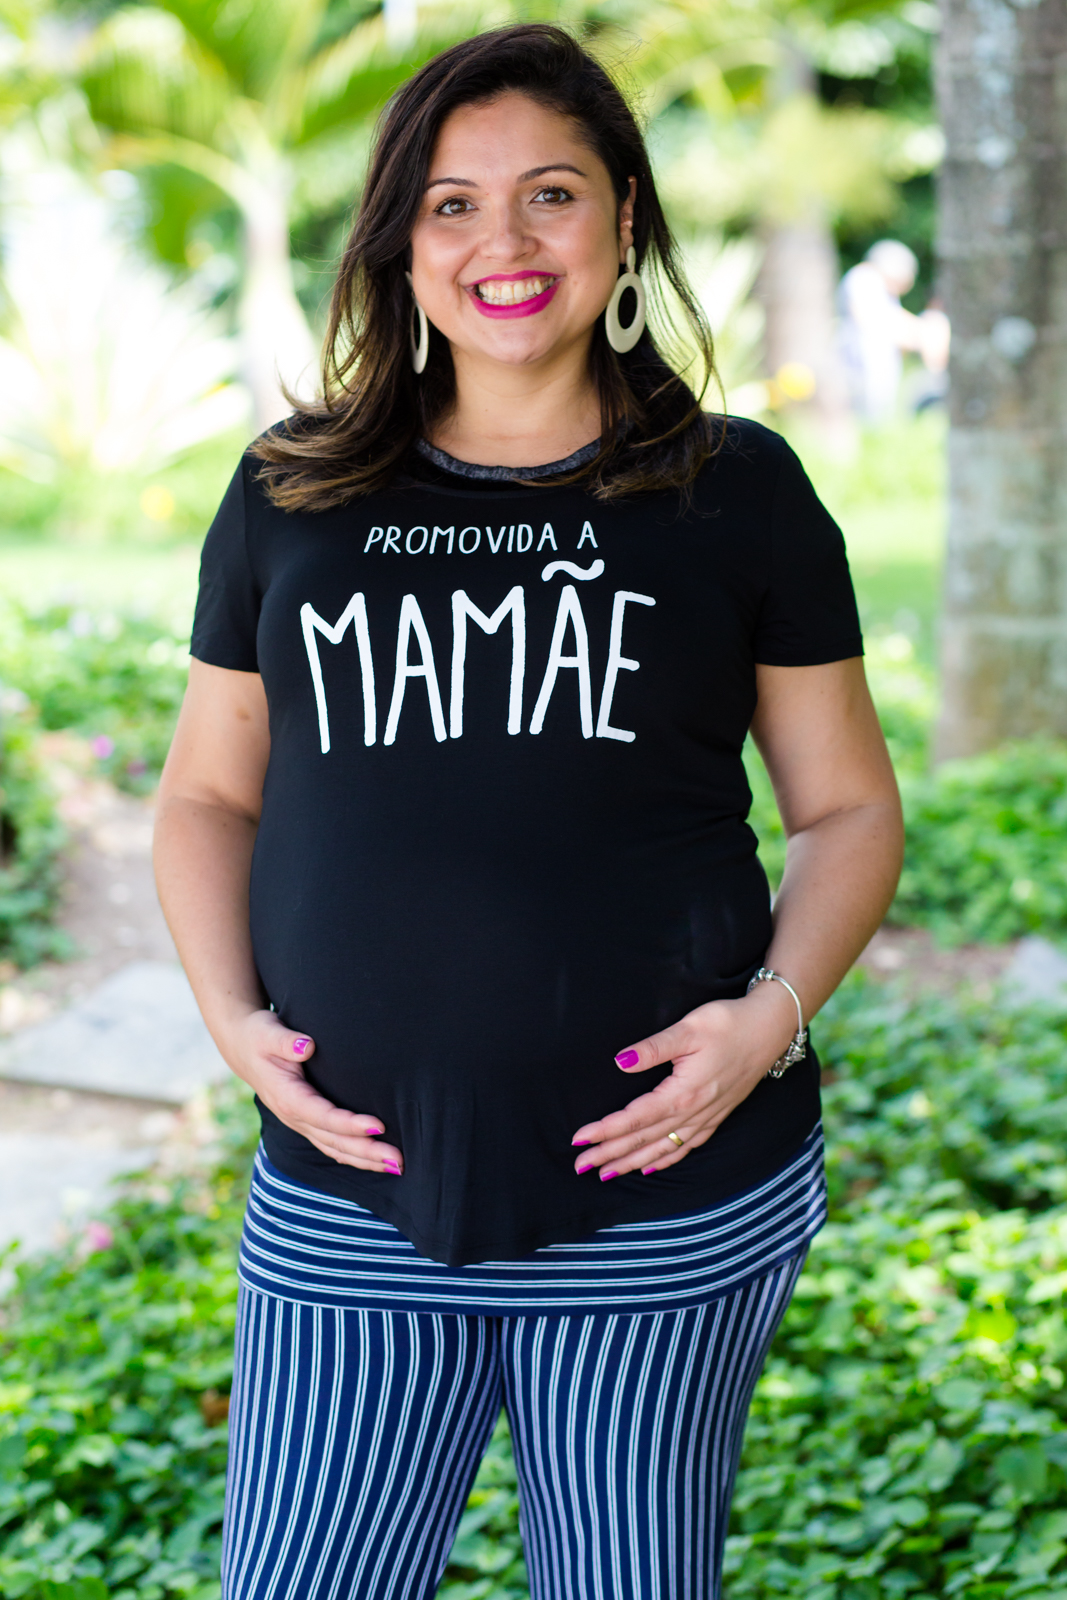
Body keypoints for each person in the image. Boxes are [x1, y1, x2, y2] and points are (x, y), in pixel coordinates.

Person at [154, 24, 904, 1600]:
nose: (501, 242)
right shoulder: (291, 492)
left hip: (666, 1189)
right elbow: (211, 795)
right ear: (397, 243)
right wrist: (231, 1021)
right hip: (349, 1186)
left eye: (549, 194)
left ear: (622, 218)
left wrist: (764, 1021)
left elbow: (843, 811)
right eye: (449, 204)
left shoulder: (735, 488)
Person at [838, 239, 926, 422]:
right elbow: (872, 319)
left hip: (874, 362)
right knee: (867, 412)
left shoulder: (878, 285)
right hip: (861, 361)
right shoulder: (865, 278)